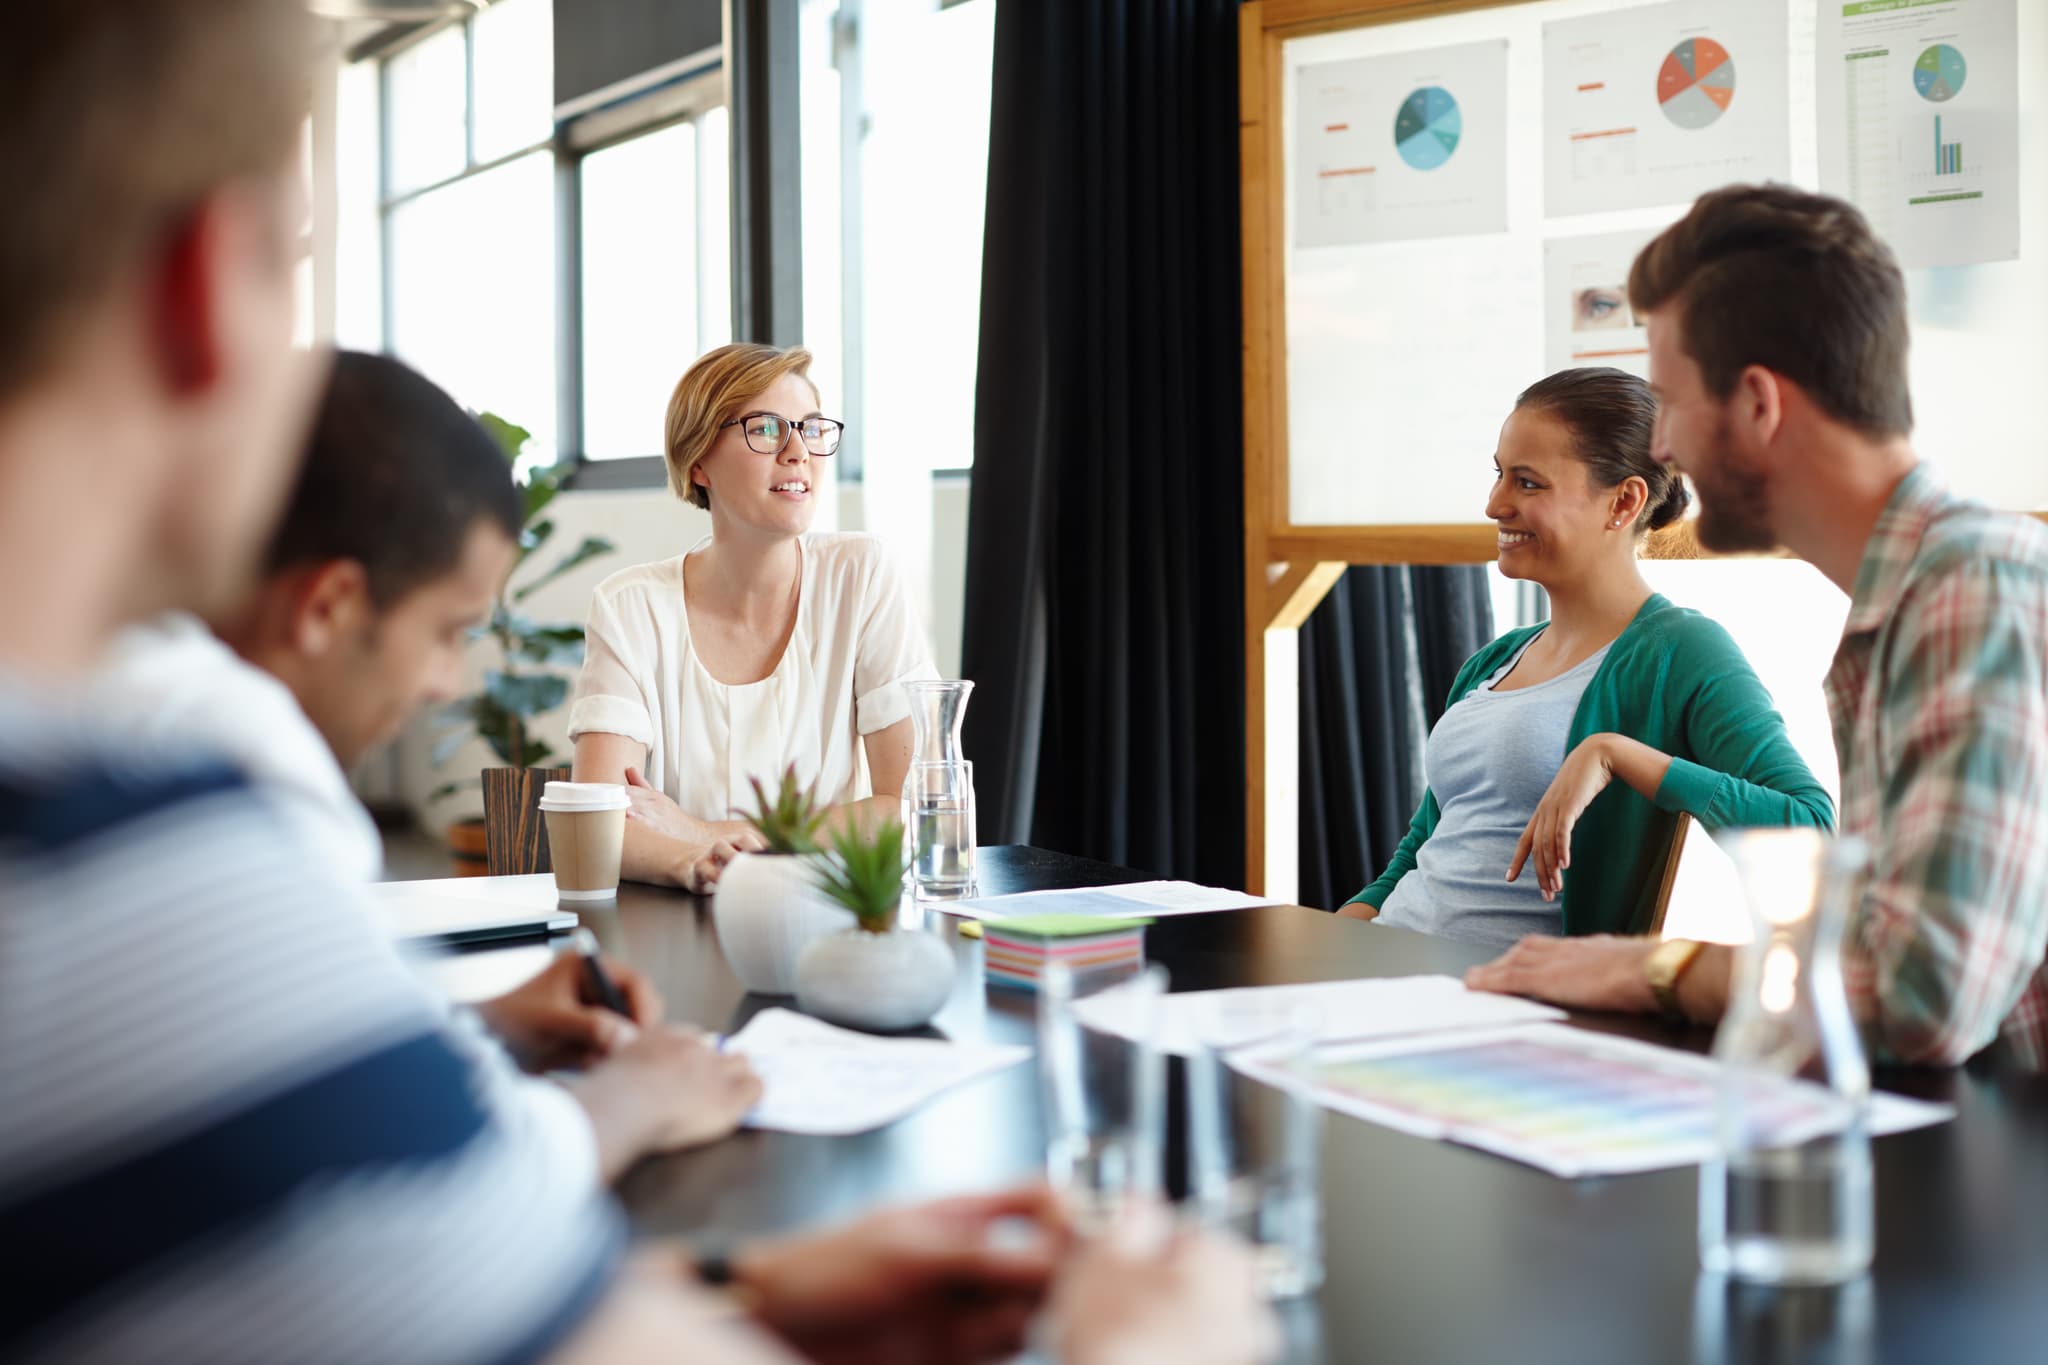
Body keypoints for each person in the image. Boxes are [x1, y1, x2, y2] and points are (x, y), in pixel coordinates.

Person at [0, 5, 1275, 1361]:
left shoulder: (119, 828)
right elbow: (612, 815)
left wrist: (752, 1289)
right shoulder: (136, 846)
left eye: (811, 427)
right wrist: (1148, 1343)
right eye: (298, 258)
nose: (798, 453)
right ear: (212, 276)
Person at [93, 348, 762, 1182]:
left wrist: (473, 1015)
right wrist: (639, 1097)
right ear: (330, 605)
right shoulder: (232, 764)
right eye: (448, 632)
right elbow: (420, 1167)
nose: (447, 681)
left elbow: (236, 1040)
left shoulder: (123, 688)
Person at [1468, 185, 2048, 1070]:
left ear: (1757, 404)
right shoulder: (1913, 600)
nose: (1660, 448)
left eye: (1668, 401)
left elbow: (1916, 997)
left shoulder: (1972, 589)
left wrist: (1653, 968)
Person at [1337, 367, 1832, 947]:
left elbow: (1810, 830)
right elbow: (1432, 841)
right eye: (1499, 475)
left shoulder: (1682, 650)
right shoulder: (1494, 660)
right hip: (1393, 963)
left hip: (1507, 1000)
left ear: (1623, 501)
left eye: (1527, 483)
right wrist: (1335, 936)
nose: (1495, 505)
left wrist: (1615, 754)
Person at [568, 343, 938, 892]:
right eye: (765, 429)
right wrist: (693, 862)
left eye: (811, 429)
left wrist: (704, 831)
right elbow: (600, 821)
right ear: (698, 462)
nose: (798, 451)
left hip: (826, 918)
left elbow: (914, 808)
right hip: (672, 928)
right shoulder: (630, 606)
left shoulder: (861, 575)